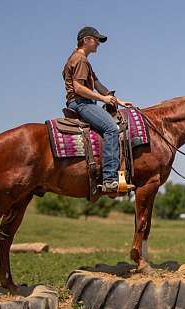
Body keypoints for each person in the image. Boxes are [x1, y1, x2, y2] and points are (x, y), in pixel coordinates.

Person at [63, 26, 133, 192]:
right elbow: (78, 88)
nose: (98, 44)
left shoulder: (83, 60)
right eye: (96, 40)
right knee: (111, 129)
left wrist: (117, 100)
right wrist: (103, 99)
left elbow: (97, 83)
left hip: (84, 102)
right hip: (81, 103)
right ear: (86, 40)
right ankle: (109, 179)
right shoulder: (80, 60)